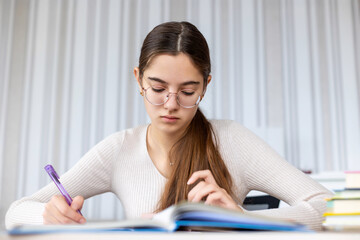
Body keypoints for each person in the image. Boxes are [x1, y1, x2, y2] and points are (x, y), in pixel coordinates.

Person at [5, 21, 332, 231]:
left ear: (205, 86)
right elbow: (16, 212)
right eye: (158, 89)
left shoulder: (232, 141)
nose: (171, 104)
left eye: (188, 92)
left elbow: (327, 206)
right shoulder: (119, 150)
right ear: (138, 80)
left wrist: (243, 220)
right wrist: (48, 216)